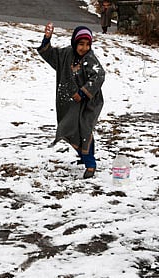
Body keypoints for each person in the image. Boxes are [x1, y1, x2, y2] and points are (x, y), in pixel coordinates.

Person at [37, 23, 105, 179]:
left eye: (88, 44)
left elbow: (99, 75)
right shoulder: (67, 54)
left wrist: (83, 92)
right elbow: (51, 55)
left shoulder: (90, 59)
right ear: (75, 43)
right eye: (81, 44)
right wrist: (46, 39)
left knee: (85, 130)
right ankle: (83, 156)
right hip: (72, 103)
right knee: (72, 128)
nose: (84, 48)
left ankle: (90, 164)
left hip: (89, 103)